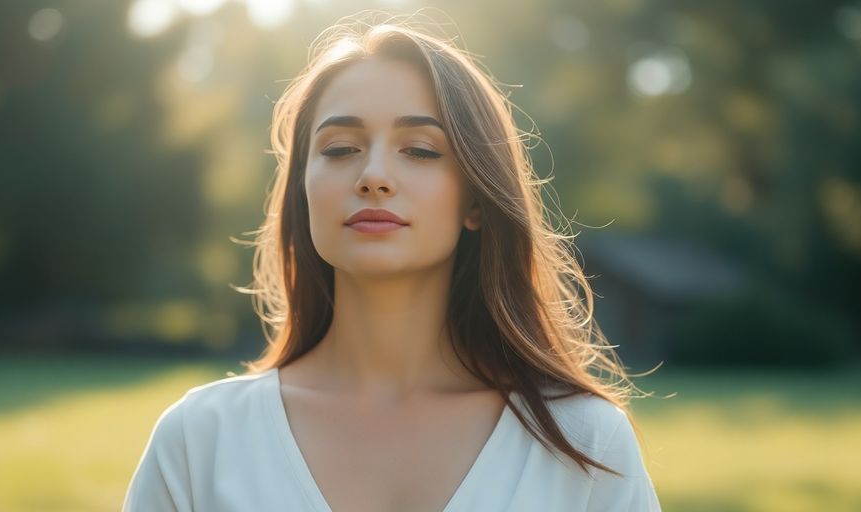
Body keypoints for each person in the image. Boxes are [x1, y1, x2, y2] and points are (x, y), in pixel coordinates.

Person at [123, 10, 663, 512]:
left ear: (476, 201)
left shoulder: (587, 445)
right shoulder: (198, 442)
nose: (373, 176)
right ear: (303, 192)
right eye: (340, 149)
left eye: (420, 150)